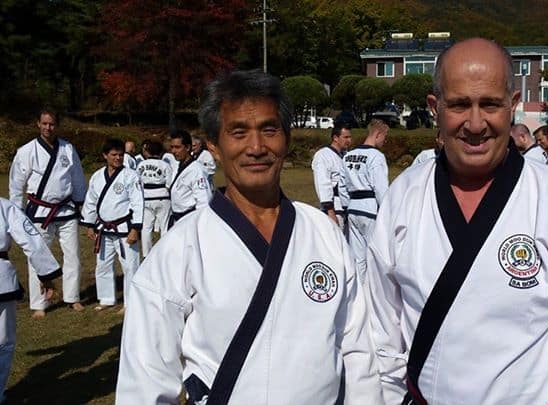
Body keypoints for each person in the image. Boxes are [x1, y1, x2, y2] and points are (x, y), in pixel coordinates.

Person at [366, 38, 548, 404]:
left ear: (512, 105)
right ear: (435, 108)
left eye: (490, 104)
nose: (475, 123)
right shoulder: (404, 198)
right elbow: (381, 335)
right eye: (459, 105)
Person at [116, 69, 381, 404]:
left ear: (286, 138)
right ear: (213, 145)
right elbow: (145, 383)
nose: (256, 147)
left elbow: (358, 353)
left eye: (269, 130)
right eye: (238, 132)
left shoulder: (323, 233)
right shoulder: (180, 248)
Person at [9, 107, 87, 318]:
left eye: (51, 124)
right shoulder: (27, 151)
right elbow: (16, 184)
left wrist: (80, 201)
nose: (48, 128)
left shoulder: (67, 148)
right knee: (38, 256)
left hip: (66, 210)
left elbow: (77, 177)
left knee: (73, 255)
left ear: (57, 125)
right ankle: (39, 304)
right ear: (38, 124)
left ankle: (72, 297)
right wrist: (16, 212)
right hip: (39, 211)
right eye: (44, 123)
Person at [0, 197, 60, 402]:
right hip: (1, 281)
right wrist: (46, 274)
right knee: (3, 342)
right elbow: (31, 239)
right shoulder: (4, 206)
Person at [80, 138, 143, 312]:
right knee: (103, 265)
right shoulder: (97, 176)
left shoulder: (131, 176)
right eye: (114, 155)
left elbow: (138, 202)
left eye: (121, 155)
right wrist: (90, 224)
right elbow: (91, 201)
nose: (118, 158)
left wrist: (135, 228)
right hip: (104, 228)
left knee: (130, 265)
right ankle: (107, 298)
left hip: (124, 228)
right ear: (105, 155)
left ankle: (131, 303)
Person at [341, 118, 389, 283]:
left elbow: (343, 186)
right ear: (378, 134)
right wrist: (387, 212)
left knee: (358, 257)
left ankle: (359, 291)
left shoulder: (348, 156)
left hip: (353, 209)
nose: (385, 141)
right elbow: (381, 188)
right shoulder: (376, 156)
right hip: (371, 210)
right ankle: (375, 291)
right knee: (376, 255)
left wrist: (346, 207)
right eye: (385, 137)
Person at [166, 130, 212, 229]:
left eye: (177, 147)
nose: (173, 151)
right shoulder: (177, 166)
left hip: (190, 221)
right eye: (172, 147)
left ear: (187, 147)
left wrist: (201, 226)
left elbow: (204, 201)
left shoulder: (196, 170)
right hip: (177, 219)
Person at [311, 123, 352, 232]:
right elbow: (323, 184)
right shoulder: (323, 155)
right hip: (334, 210)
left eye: (350, 137)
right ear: (335, 138)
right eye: (346, 137)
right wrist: (330, 212)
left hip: (347, 209)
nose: (349, 140)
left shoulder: (347, 155)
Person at [136, 141, 173, 257]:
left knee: (146, 227)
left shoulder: (141, 165)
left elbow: (137, 182)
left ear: (147, 152)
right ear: (161, 152)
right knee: (164, 226)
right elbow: (170, 183)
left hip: (146, 197)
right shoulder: (165, 165)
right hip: (162, 196)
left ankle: (146, 254)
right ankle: (164, 252)